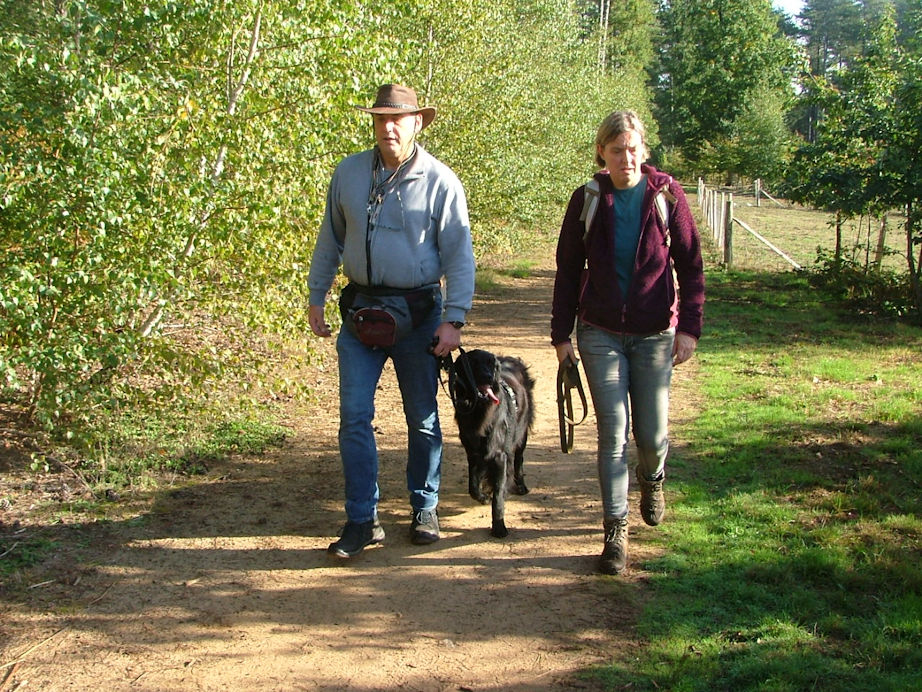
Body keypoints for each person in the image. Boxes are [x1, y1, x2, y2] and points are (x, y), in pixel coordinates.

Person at [308, 84, 475, 558]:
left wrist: (455, 318)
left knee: (421, 418)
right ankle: (362, 519)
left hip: (421, 316)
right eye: (381, 119)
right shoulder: (348, 173)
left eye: (398, 119)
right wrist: (316, 293)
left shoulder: (442, 181)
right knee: (354, 418)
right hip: (360, 314)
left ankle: (425, 505)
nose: (389, 127)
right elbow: (330, 238)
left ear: (418, 122)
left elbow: (459, 257)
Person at [551, 110, 704, 574]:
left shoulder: (666, 196)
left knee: (652, 436)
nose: (626, 158)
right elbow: (567, 270)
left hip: (655, 332)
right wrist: (562, 336)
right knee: (613, 434)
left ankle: (653, 475)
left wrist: (690, 327)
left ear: (644, 150)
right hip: (600, 333)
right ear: (602, 152)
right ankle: (614, 532)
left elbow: (691, 264)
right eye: (616, 150)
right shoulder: (587, 199)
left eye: (633, 149)